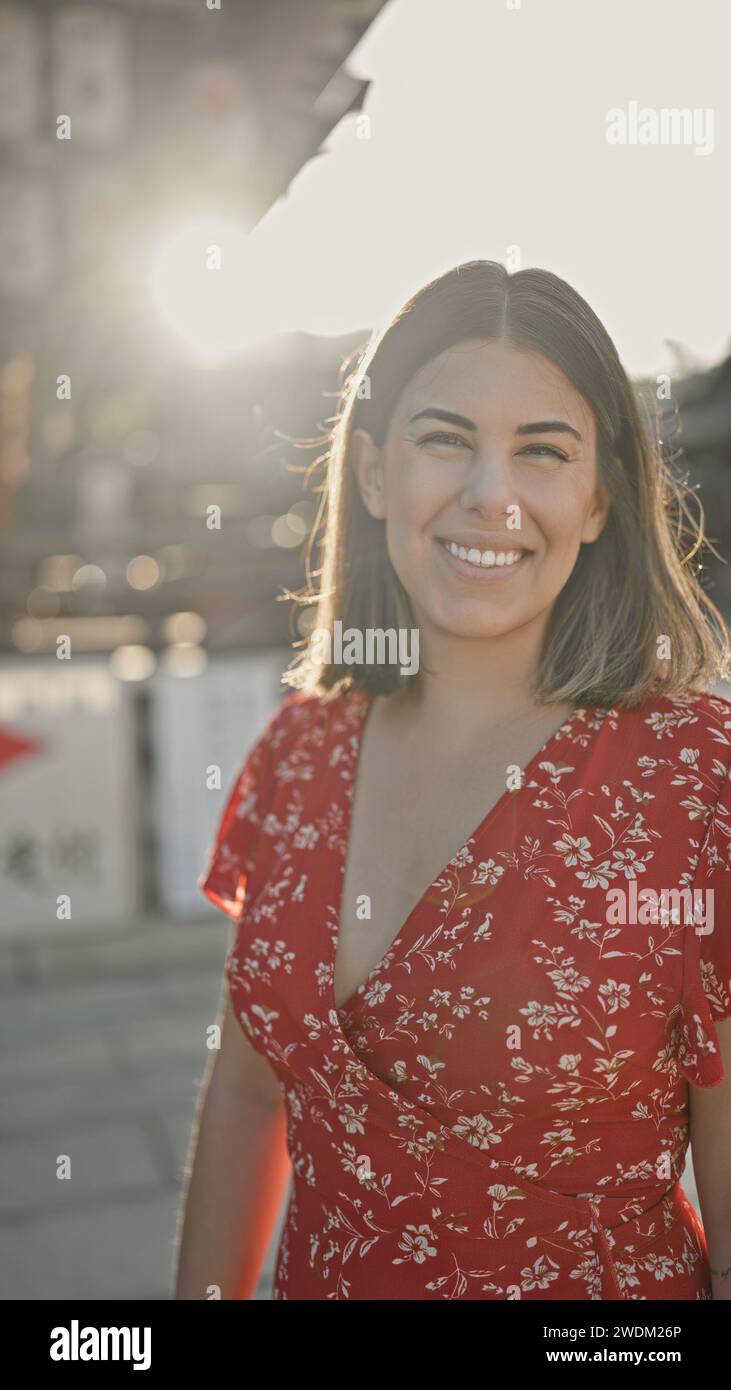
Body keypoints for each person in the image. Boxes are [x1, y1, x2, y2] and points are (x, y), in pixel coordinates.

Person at [174, 260, 731, 1301]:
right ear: (376, 473)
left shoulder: (696, 781)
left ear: (599, 498)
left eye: (541, 452)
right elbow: (250, 1096)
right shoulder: (300, 753)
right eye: (445, 440)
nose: (490, 494)